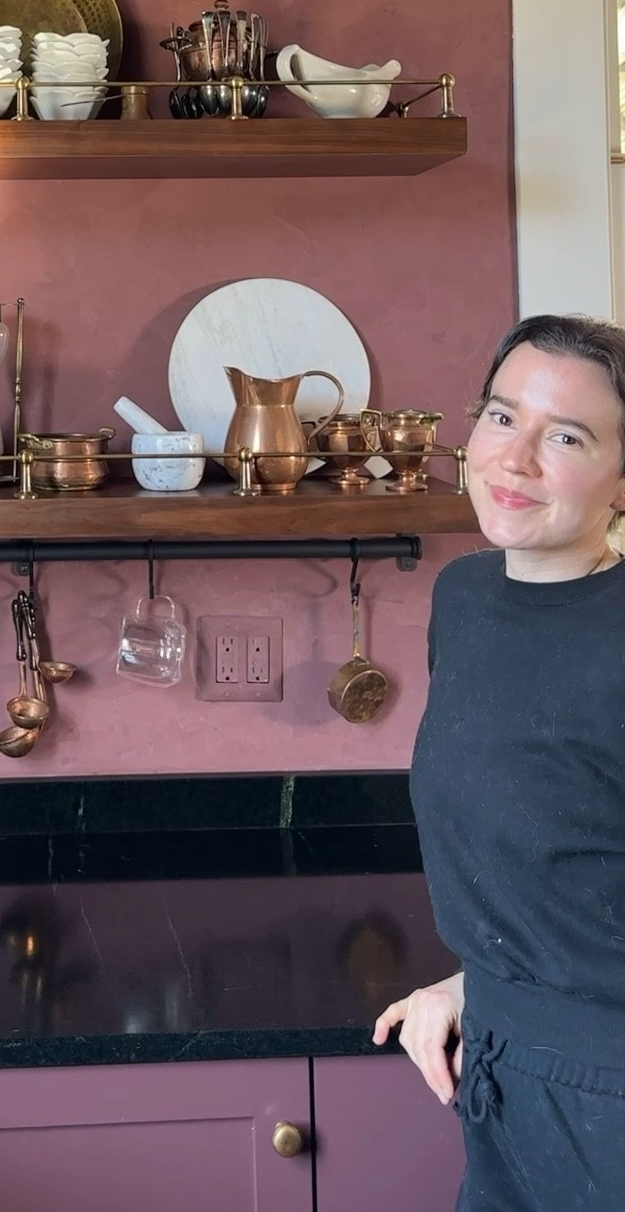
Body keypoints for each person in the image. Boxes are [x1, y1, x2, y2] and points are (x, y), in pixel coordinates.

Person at [373, 314, 625, 1211]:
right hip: (506, 1078)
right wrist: (475, 983)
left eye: (565, 435)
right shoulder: (466, 597)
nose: (513, 461)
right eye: (499, 416)